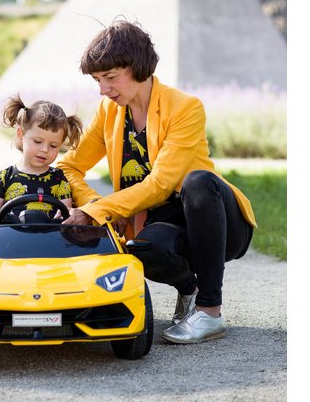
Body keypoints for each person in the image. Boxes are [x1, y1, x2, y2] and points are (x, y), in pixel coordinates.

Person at [58, 19, 257, 344]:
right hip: (163, 223)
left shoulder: (185, 108)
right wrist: (93, 203)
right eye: (97, 80)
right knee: (142, 249)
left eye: (110, 77)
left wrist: (99, 212)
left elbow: (161, 184)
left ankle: (210, 311)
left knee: (198, 182)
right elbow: (69, 166)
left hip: (217, 221)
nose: (103, 89)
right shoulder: (109, 111)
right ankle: (190, 291)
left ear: (137, 66)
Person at [0, 95, 83, 226]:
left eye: (53, 146)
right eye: (38, 141)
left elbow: (66, 218)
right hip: (10, 237)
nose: (45, 150)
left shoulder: (59, 180)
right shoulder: (5, 177)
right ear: (20, 134)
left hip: (48, 237)